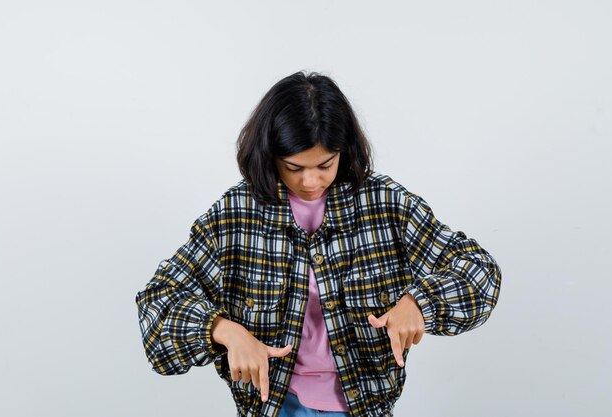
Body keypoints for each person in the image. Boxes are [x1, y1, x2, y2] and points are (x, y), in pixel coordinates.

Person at [134, 71, 502, 417]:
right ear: (270, 155)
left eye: (325, 164)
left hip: (364, 407)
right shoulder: (236, 214)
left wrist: (419, 302)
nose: (311, 181)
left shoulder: (384, 204)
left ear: (345, 150)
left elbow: (479, 270)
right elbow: (158, 304)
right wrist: (223, 331)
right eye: (294, 168)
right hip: (275, 406)